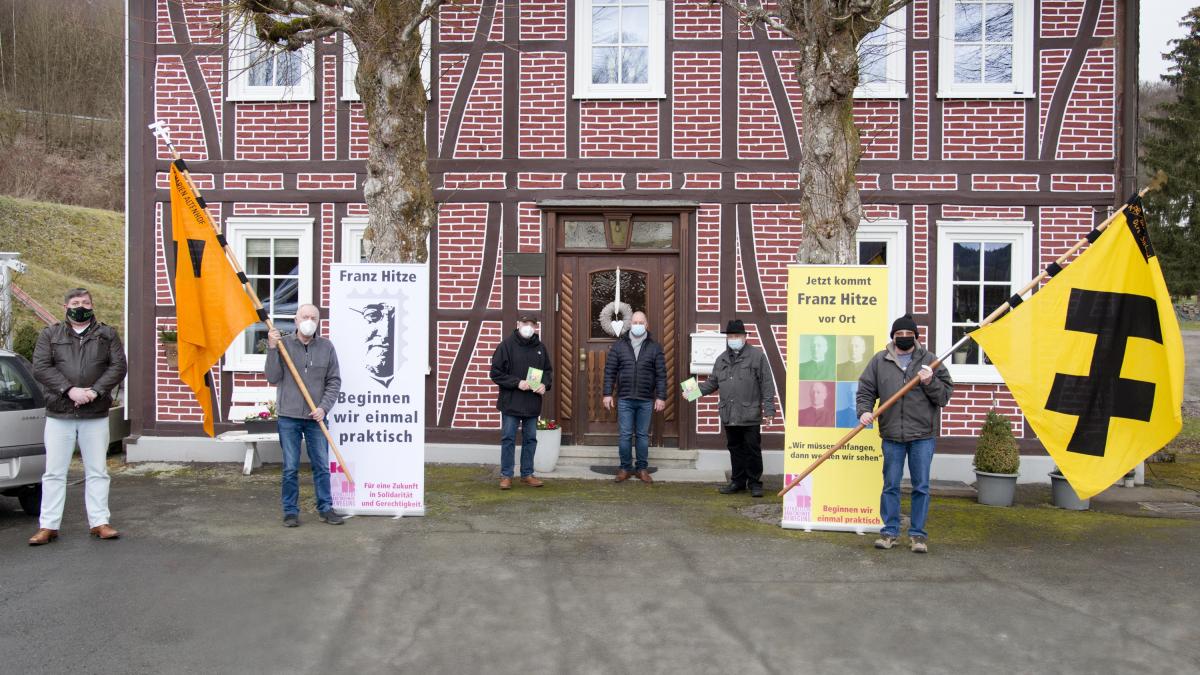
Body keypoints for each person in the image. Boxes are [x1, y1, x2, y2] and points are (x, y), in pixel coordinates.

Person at [28, 288, 128, 546]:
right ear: (66, 307)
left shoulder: (107, 334)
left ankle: (99, 522)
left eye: (85, 302)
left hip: (95, 413)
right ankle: (48, 526)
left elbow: (118, 366)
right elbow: (41, 367)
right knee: (54, 472)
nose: (80, 306)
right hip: (59, 413)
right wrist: (69, 390)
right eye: (75, 302)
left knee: (97, 470)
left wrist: (95, 391)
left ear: (92, 306)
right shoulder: (50, 334)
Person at [856, 314, 953, 554]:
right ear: (893, 336)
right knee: (891, 485)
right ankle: (889, 532)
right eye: (899, 334)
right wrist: (864, 411)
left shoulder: (930, 361)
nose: (904, 337)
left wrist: (930, 381)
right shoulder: (880, 361)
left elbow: (944, 397)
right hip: (892, 435)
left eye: (908, 334)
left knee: (921, 486)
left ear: (915, 336)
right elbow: (866, 389)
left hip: (922, 435)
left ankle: (918, 535)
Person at [266, 304, 344, 527]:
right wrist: (272, 348)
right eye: (304, 317)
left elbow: (334, 381)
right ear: (296, 320)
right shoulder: (283, 345)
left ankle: (326, 508)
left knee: (322, 466)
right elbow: (272, 377)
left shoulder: (326, 347)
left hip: (315, 417)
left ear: (318, 321)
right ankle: (290, 511)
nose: (309, 321)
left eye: (313, 318)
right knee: (290, 467)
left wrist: (324, 408)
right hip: (288, 416)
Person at [692, 319, 776, 498]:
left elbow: (767, 384)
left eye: (737, 336)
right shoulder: (721, 359)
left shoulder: (757, 356)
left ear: (744, 337)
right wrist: (692, 392)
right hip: (729, 413)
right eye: (730, 336)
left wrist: (769, 410)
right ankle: (738, 481)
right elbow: (712, 382)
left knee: (752, 449)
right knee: (735, 449)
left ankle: (754, 483)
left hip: (749, 412)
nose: (733, 339)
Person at [489, 314, 554, 490]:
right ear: (518, 324)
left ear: (536, 327)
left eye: (532, 324)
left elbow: (547, 371)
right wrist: (517, 383)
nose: (529, 327)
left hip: (532, 402)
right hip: (511, 402)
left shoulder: (540, 348)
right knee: (508, 438)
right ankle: (506, 475)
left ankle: (527, 474)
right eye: (526, 323)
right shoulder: (506, 346)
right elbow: (495, 373)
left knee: (530, 439)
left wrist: (544, 384)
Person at [602, 311, 667, 484]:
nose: (638, 325)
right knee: (625, 435)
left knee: (642, 436)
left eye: (641, 322)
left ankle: (642, 469)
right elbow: (610, 372)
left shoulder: (655, 347)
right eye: (635, 322)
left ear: (646, 325)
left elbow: (661, 375)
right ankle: (625, 468)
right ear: (630, 324)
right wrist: (607, 394)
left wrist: (661, 397)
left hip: (646, 399)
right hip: (625, 398)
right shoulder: (619, 346)